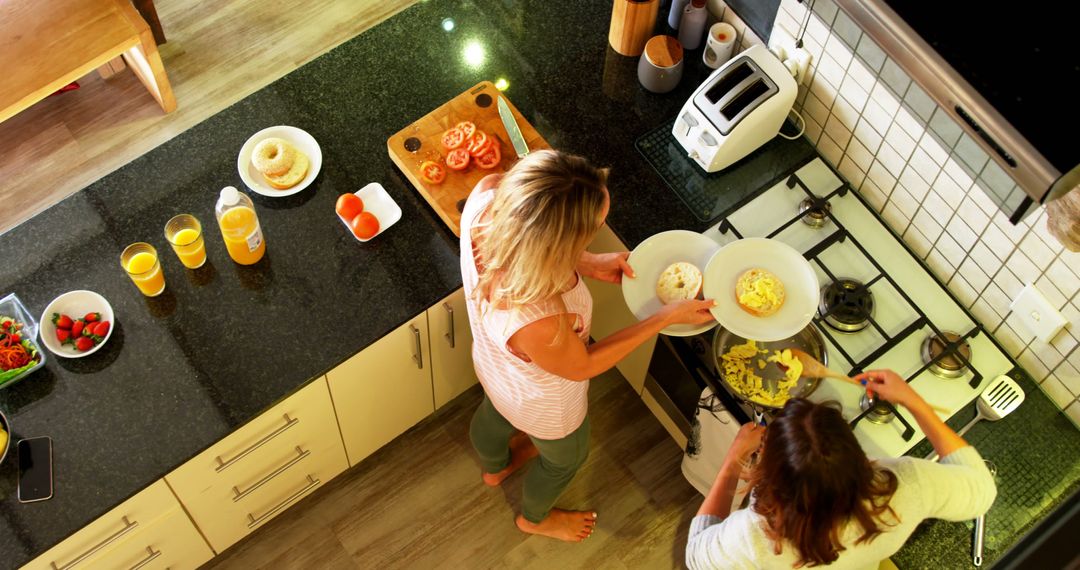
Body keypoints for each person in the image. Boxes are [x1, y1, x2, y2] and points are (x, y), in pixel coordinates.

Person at [460, 150, 715, 542]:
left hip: (495, 370)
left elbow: (526, 244)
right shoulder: (537, 316)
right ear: (555, 241)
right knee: (566, 459)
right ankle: (534, 518)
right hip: (545, 405)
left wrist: (588, 261)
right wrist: (663, 318)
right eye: (590, 230)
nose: (597, 230)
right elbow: (582, 365)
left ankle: (496, 467)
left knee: (494, 413)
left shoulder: (486, 197)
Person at [686, 369, 997, 569]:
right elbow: (982, 491)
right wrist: (915, 403)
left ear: (770, 471)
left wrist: (732, 462)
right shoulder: (905, 487)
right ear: (857, 455)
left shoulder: (753, 536)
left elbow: (696, 554)